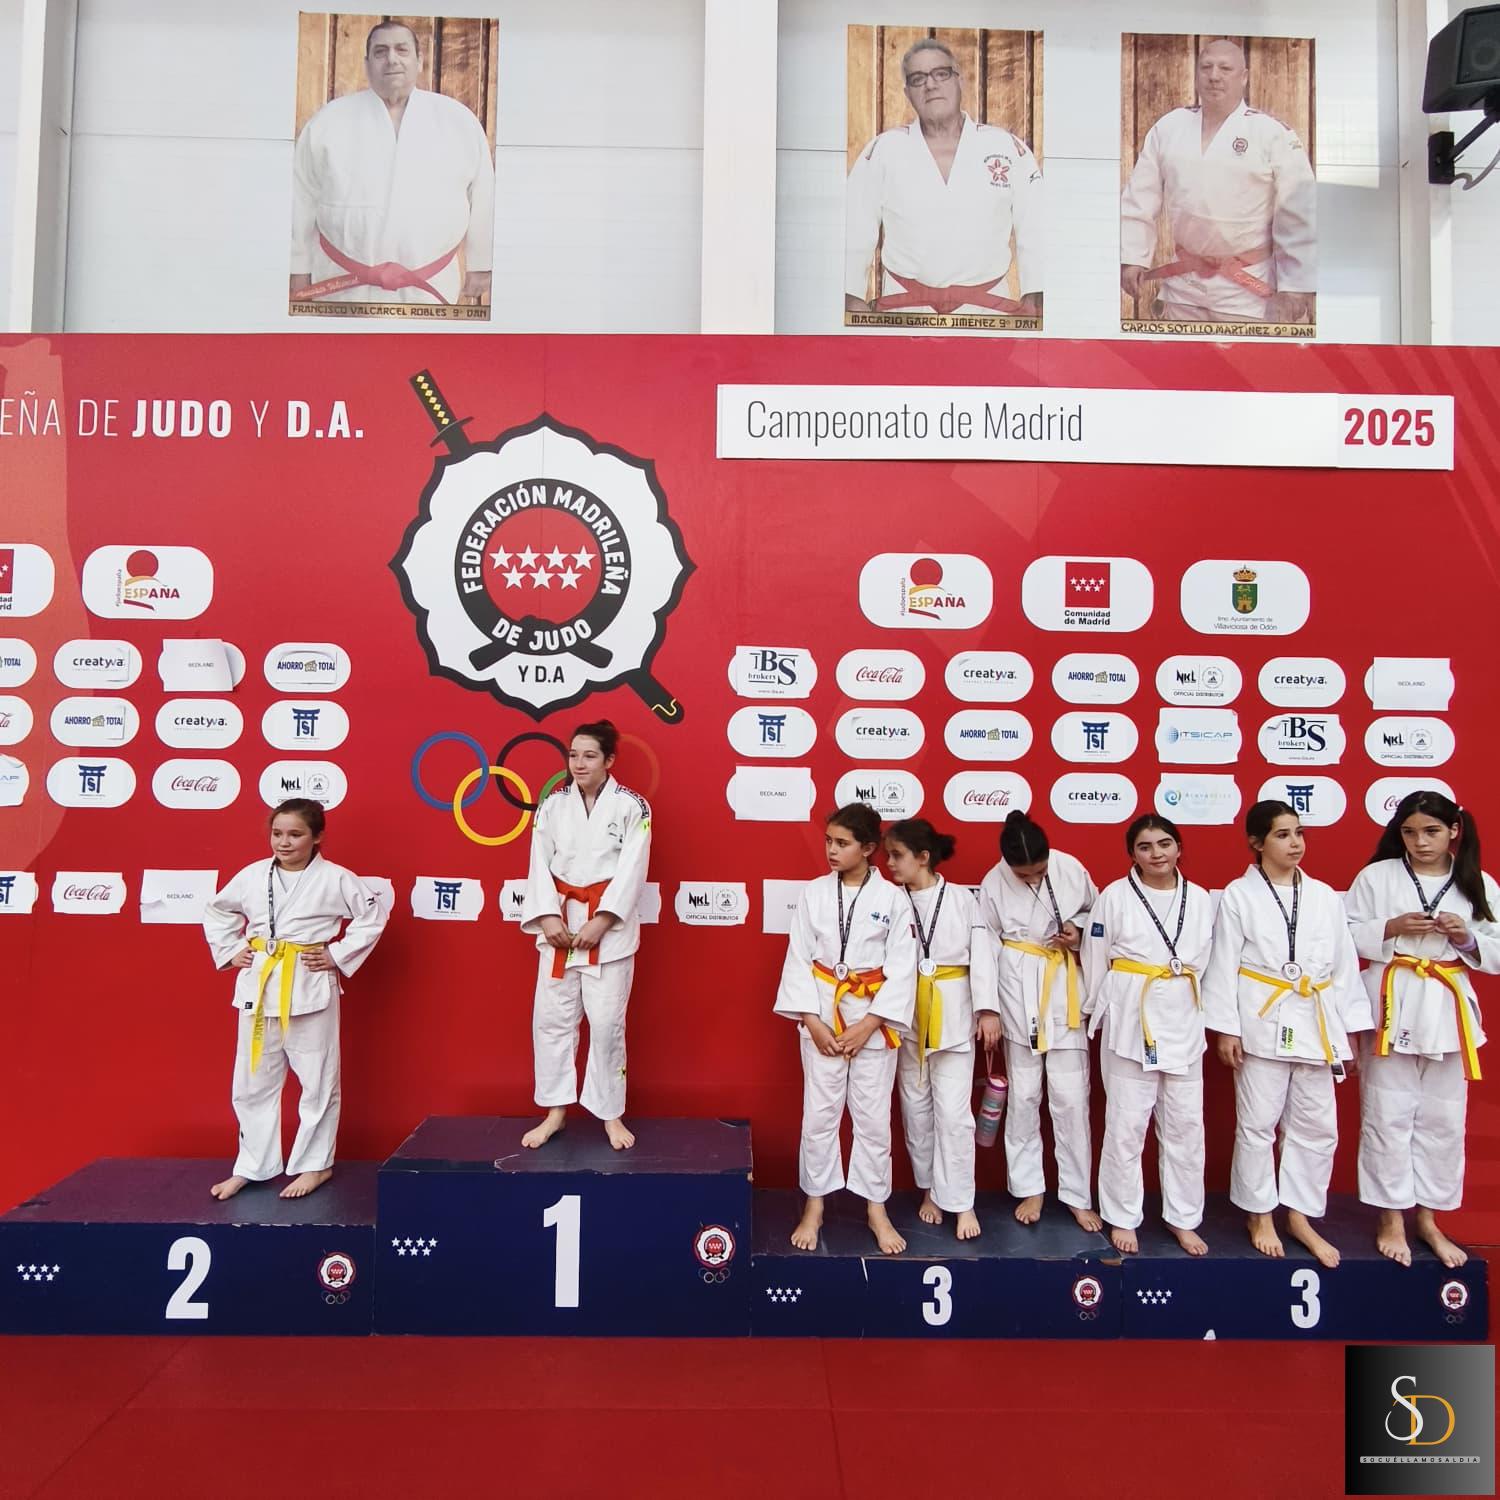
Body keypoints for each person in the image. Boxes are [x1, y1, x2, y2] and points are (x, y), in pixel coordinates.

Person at [1202, 801, 1369, 1267]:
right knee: (1258, 1124)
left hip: (1315, 1019)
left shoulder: (1324, 896)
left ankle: (1300, 1215)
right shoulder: (1239, 895)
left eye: (1299, 833)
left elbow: (1344, 967)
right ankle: (1260, 1214)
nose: (1295, 843)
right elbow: (1223, 964)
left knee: (1317, 1126)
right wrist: (1227, 1029)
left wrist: (1349, 1030)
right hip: (1262, 1016)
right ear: (1256, 843)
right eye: (1282, 835)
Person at [202, 798, 388, 1200]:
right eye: (277, 833)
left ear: (317, 837)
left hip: (308, 985)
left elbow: (373, 915)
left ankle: (315, 1164)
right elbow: (217, 910)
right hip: (260, 985)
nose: (284, 842)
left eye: (295, 834)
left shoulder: (335, 878)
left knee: (318, 1080)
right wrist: (232, 950)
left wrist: (337, 954)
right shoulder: (252, 876)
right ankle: (252, 1166)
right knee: (252, 1082)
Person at [1345, 790, 1499, 1269]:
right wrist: (1390, 927)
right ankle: (1391, 1217)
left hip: (1446, 1003)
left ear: (1454, 830)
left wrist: (1466, 937)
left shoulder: (1478, 882)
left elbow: (1496, 947)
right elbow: (1341, 935)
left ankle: (1429, 1218)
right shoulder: (1377, 876)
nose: (1420, 841)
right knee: (1386, 1112)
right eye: (1410, 832)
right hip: (1392, 1000)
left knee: (1444, 1118)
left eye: (1431, 831)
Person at [775, 803, 917, 1254]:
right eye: (829, 841)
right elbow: (798, 957)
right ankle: (815, 1204)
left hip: (873, 1019)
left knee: (872, 1118)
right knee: (819, 1115)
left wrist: (869, 1025)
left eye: (843, 843)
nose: (832, 851)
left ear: (869, 848)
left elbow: (903, 968)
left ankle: (876, 1208)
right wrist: (812, 1021)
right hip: (821, 1013)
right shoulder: (814, 893)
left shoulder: (893, 899)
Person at [290, 20, 494, 308]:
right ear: (367, 64)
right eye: (380, 51)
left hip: (430, 285)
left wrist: (482, 262)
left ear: (419, 60)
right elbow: (301, 196)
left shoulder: (458, 121)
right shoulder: (328, 122)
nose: (392, 59)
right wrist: (296, 265)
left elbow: (484, 195)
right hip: (341, 283)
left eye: (402, 50)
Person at [1084, 814, 1214, 1256]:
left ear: (1179, 847)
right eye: (1145, 846)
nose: (1156, 853)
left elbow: (1208, 961)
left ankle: (1183, 1217)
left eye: (1164, 844)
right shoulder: (1114, 897)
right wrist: (1098, 1010)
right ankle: (1122, 1215)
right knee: (1126, 1124)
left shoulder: (1201, 899)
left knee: (1186, 1125)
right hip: (1129, 1013)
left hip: (1183, 1012)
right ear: (1132, 854)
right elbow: (1095, 956)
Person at [520, 720, 651, 1152]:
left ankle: (610, 1113)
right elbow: (538, 864)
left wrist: (603, 920)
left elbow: (632, 869)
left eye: (589, 755)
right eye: (573, 755)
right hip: (559, 925)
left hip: (608, 933)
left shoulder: (633, 807)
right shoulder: (552, 807)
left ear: (609, 760)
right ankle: (555, 1111)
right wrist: (547, 917)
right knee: (551, 1021)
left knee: (608, 1025)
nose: (579, 763)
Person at [1120, 37, 1315, 325]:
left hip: (1248, 291)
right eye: (1206, 67)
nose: (1214, 76)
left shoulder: (1271, 134)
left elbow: (1299, 211)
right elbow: (1140, 196)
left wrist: (1296, 286)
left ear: (1244, 77)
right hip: (1183, 287)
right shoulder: (1170, 127)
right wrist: (1133, 257)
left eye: (1225, 68)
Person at [845, 37, 1043, 318]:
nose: (930, 84)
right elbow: (854, 226)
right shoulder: (884, 150)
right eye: (918, 78)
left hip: (987, 310)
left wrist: (1037, 292)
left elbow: (1035, 224)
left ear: (960, 81)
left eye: (941, 73)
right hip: (904, 309)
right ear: (907, 93)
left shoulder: (1006, 148)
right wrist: (850, 294)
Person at [979, 809, 1101, 1230]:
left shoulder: (1070, 868)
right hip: (1017, 987)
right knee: (1025, 1095)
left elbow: (1096, 914)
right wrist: (988, 1008)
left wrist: (1078, 931)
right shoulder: (993, 882)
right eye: (1023, 875)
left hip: (1063, 983)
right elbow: (984, 945)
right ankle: (1029, 1187)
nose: (1032, 879)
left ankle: (1077, 1194)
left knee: (1072, 1098)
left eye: (1039, 871)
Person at [884, 818, 998, 1241]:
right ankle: (930, 1190)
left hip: (953, 1011)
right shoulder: (891, 900)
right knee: (916, 1111)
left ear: (923, 857)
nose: (889, 863)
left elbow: (983, 955)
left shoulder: (963, 900)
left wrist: (988, 1011)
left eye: (897, 855)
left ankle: (962, 1201)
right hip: (906, 1012)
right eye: (888, 855)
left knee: (954, 1114)